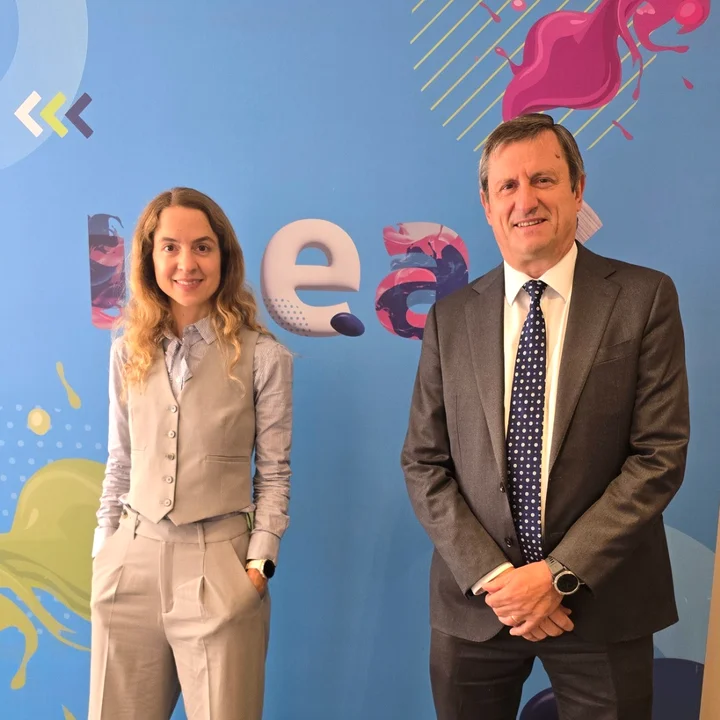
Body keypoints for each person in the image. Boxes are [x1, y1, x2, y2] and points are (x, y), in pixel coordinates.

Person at [401, 113, 690, 720]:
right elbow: (424, 463)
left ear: (577, 189)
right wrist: (497, 579)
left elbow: (658, 456)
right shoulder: (451, 318)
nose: (525, 200)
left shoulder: (643, 298)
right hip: (479, 605)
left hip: (603, 602)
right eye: (507, 186)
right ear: (487, 205)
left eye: (543, 180)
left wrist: (558, 575)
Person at [89, 187, 293, 720]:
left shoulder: (264, 356)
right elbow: (121, 461)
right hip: (131, 561)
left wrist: (259, 563)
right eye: (170, 247)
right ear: (149, 257)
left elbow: (274, 474)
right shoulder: (126, 351)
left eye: (202, 246)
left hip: (220, 565)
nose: (187, 263)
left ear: (223, 256)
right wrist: (103, 553)